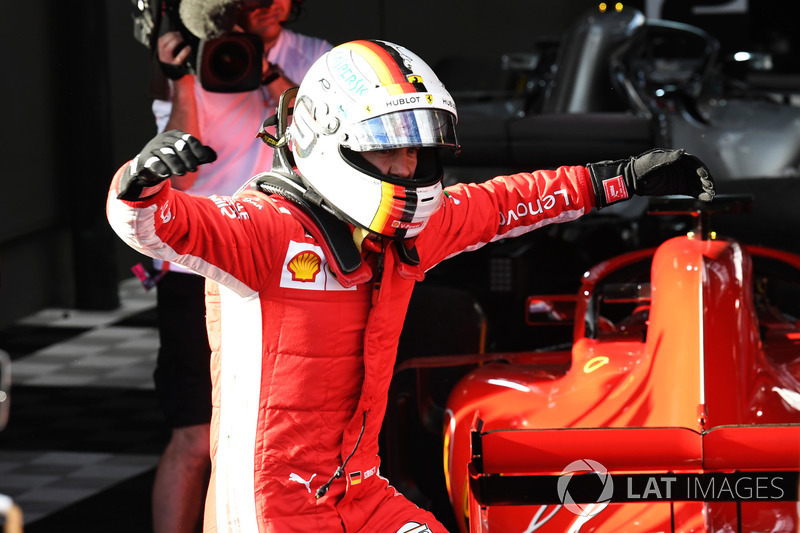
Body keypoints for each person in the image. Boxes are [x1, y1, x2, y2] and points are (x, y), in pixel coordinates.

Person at [108, 39, 714, 532]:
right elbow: (152, 226)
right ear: (328, 138)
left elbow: (509, 202)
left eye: (415, 153)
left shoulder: (411, 233)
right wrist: (140, 182)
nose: (404, 170)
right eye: (385, 151)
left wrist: (623, 176)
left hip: (363, 494)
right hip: (270, 517)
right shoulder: (262, 230)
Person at [146, 1, 331, 531]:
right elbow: (175, 181)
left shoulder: (317, 57)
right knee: (194, 435)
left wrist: (267, 74)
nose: (267, 4)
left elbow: (322, 140)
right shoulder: (196, 60)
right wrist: (181, 78)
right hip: (195, 265)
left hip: (286, 267)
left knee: (284, 432)